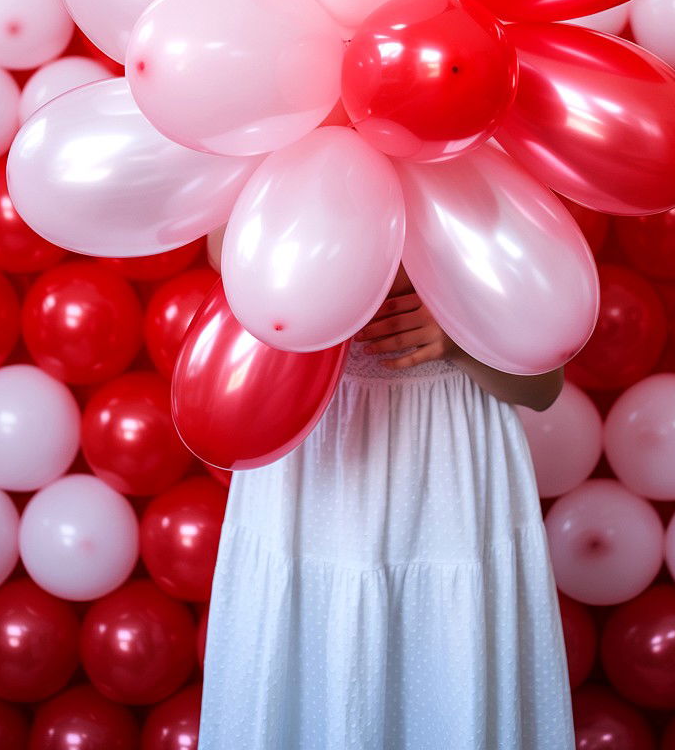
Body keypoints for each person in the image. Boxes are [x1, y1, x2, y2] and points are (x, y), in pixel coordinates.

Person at [199, 265, 574, 750]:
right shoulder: (262, 217)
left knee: (446, 664)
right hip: (311, 460)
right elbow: (231, 260)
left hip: (448, 482)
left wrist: (463, 337)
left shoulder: (495, 218)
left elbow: (543, 389)